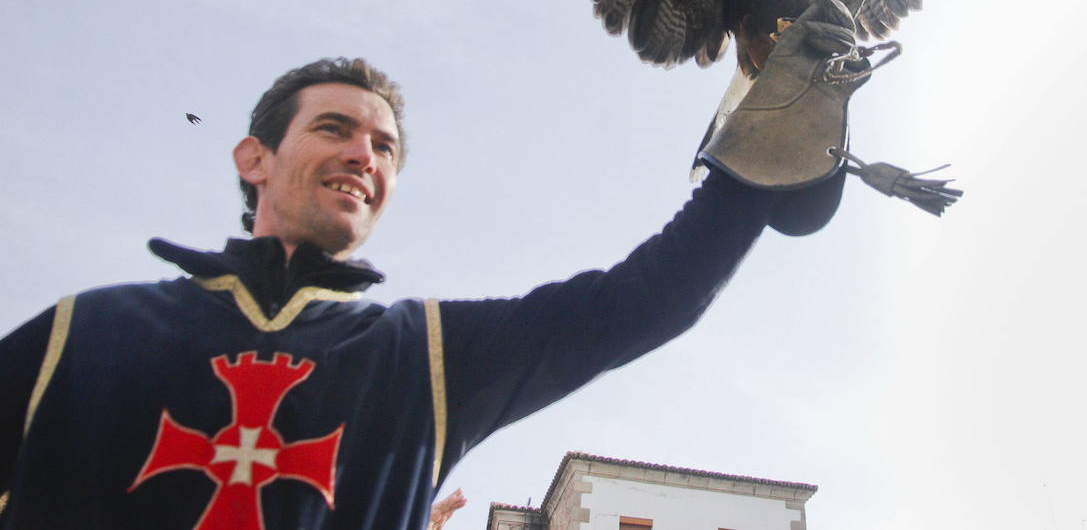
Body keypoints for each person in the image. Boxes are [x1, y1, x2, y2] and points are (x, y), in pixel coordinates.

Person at [0, 43, 850, 529]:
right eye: (333, 128)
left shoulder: (424, 359)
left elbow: (635, 304)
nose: (362, 156)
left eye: (384, 147)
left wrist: (754, 167)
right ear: (252, 157)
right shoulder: (85, 334)